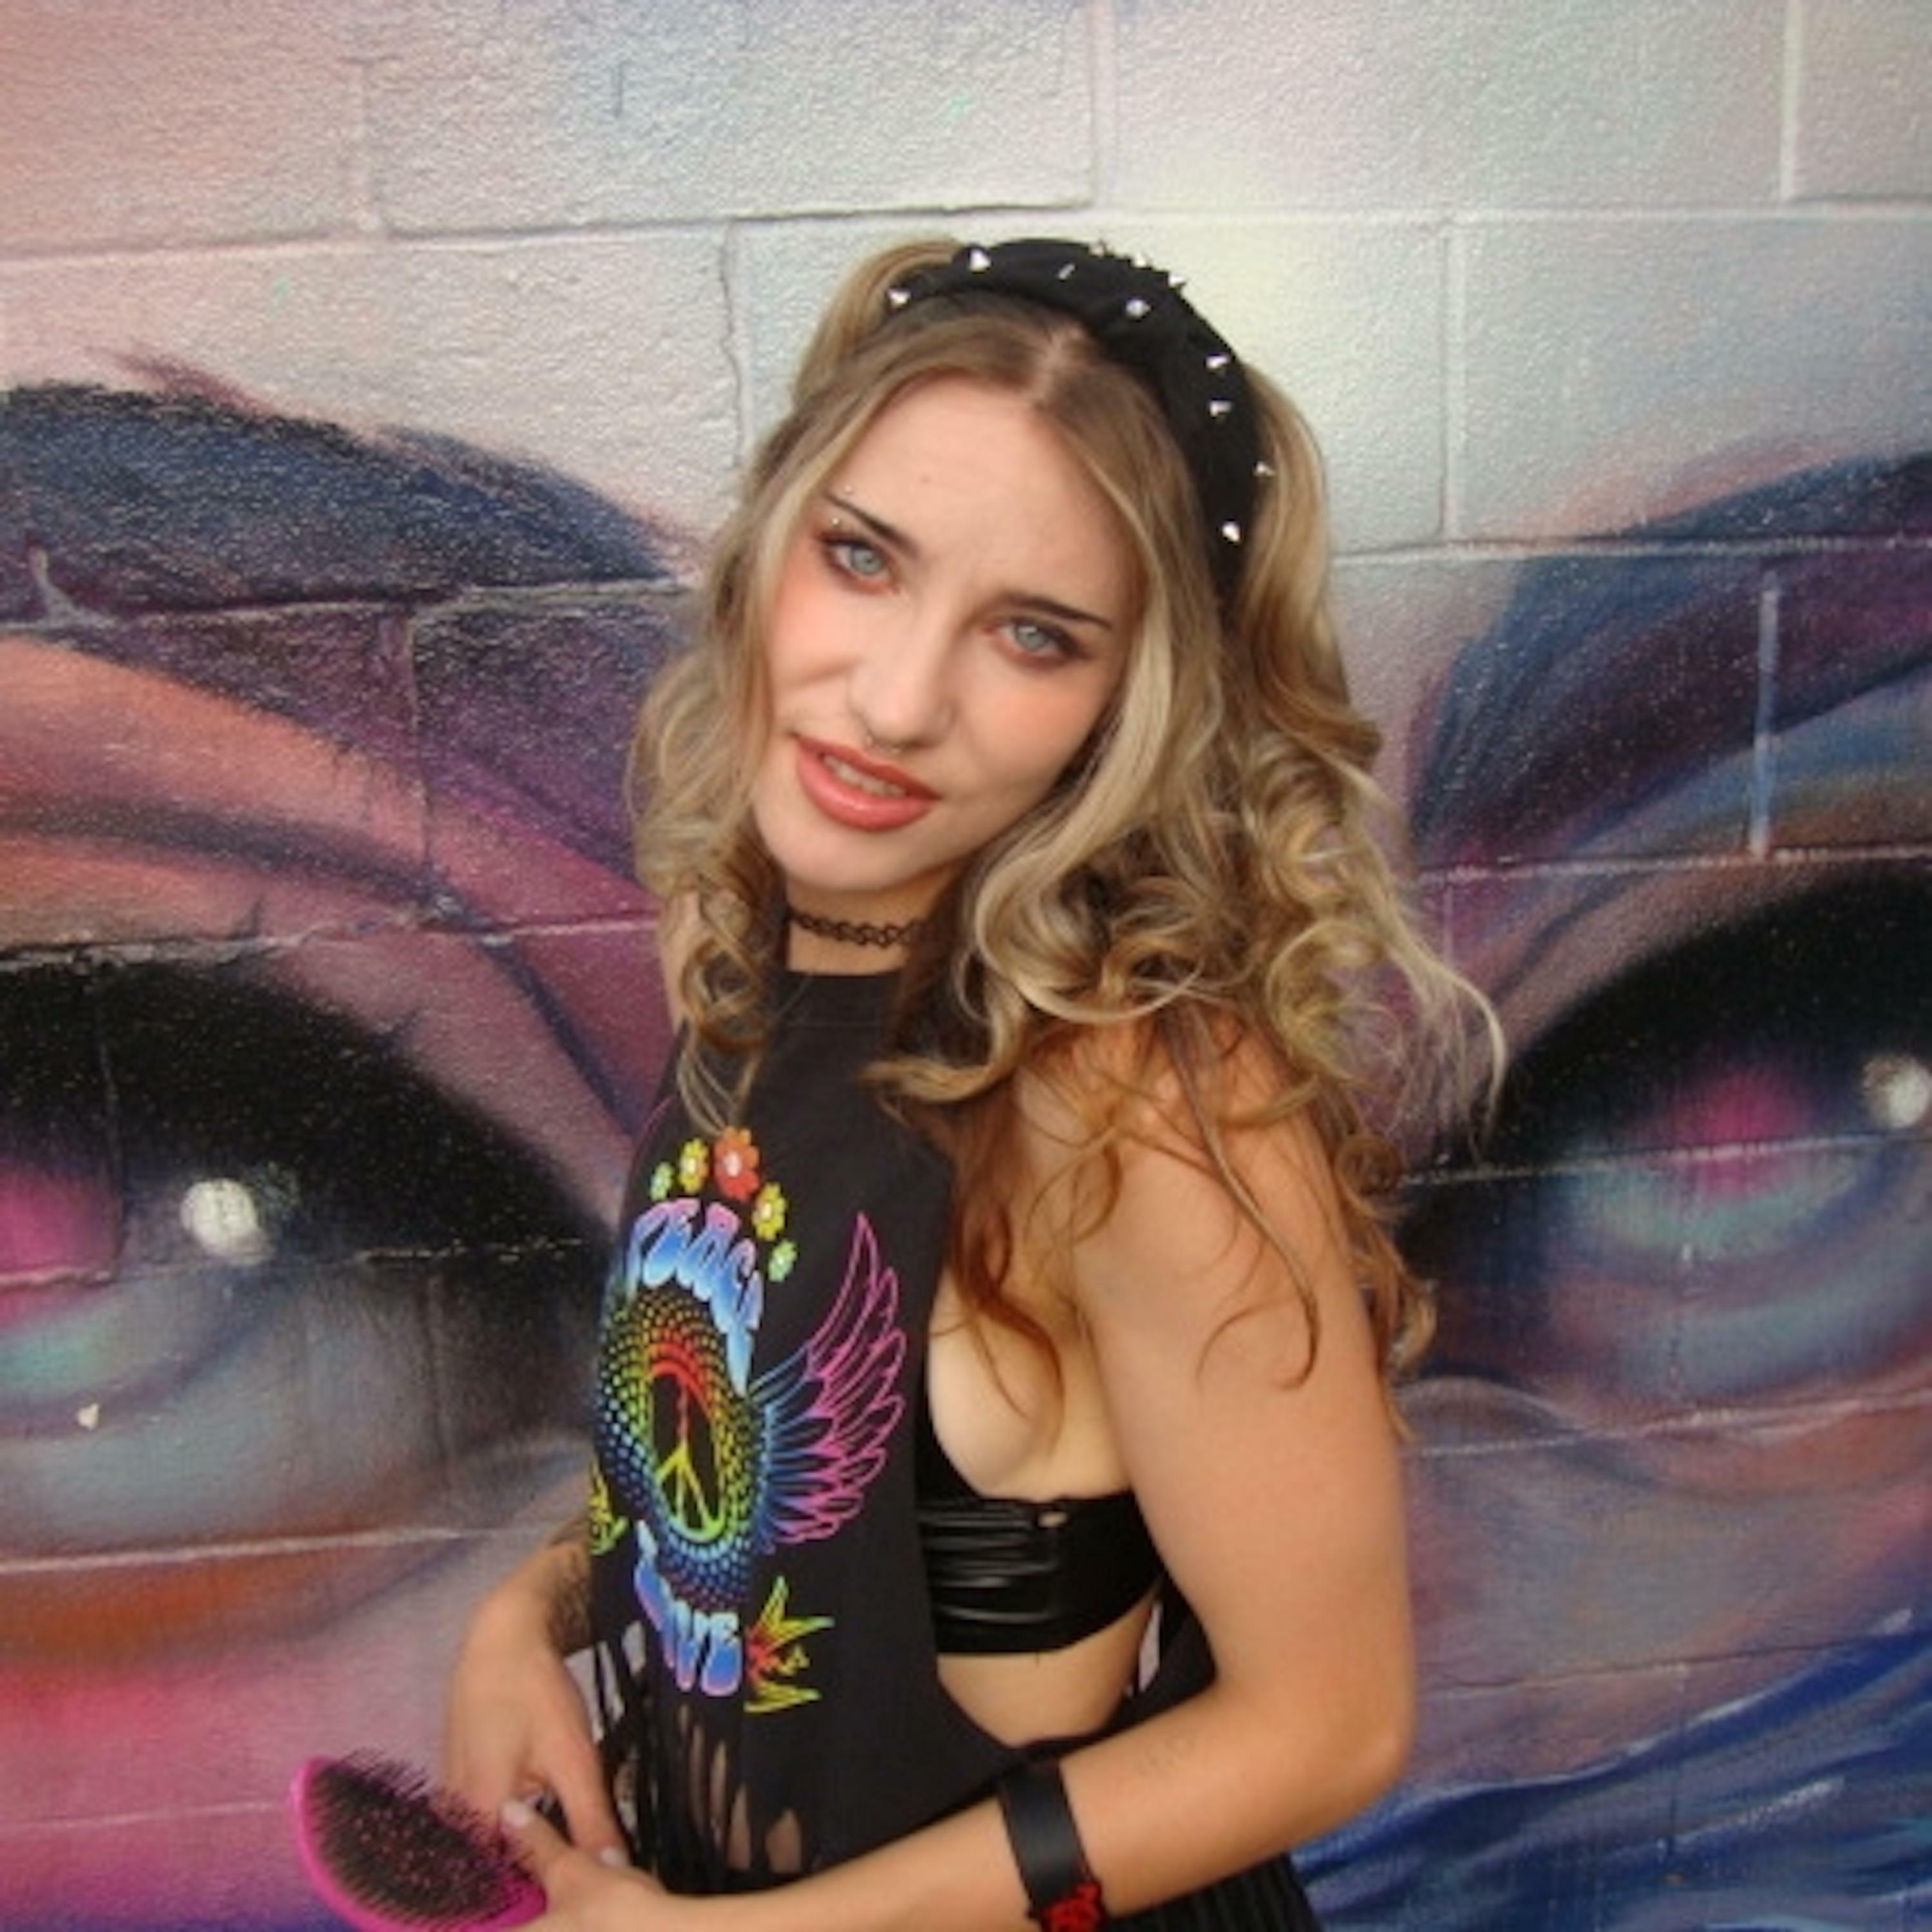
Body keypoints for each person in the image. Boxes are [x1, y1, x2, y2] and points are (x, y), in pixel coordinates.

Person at [442, 236, 1492, 1930]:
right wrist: (530, 1614)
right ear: (773, 539)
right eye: (862, 558)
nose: (897, 699)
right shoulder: (762, 958)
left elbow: (1329, 1725)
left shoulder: (1133, 1101)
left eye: (1035, 635)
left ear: (1132, 705)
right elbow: (758, 1449)